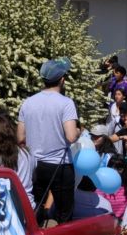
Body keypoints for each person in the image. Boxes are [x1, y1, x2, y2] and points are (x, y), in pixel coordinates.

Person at [19, 59, 83, 223]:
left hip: (35, 165)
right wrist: (78, 130)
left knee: (37, 210)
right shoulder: (66, 103)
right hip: (59, 166)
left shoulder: (28, 103)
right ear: (62, 79)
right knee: (64, 215)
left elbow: (20, 137)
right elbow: (70, 136)